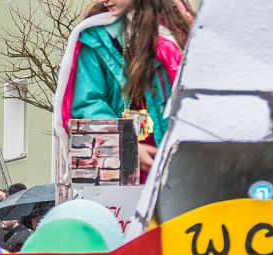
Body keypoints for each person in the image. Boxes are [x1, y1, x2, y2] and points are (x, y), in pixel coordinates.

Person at [55, 0, 193, 180]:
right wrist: (125, 146)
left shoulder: (181, 31)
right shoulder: (95, 38)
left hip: (183, 168)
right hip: (124, 177)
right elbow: (87, 106)